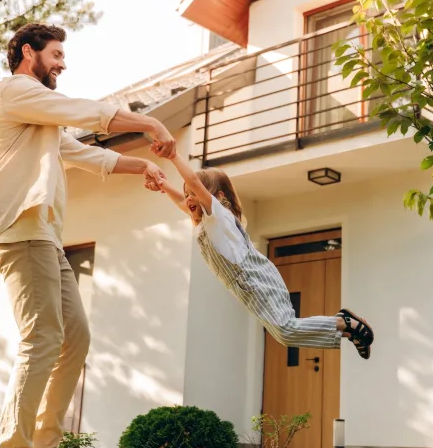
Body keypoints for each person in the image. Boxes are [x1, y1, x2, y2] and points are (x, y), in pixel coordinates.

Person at [0, 23, 174, 448]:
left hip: (43, 234)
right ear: (29, 53)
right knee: (43, 337)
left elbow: (79, 151)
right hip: (18, 229)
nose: (63, 64)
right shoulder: (13, 91)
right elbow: (81, 111)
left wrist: (140, 165)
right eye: (56, 54)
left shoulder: (39, 118)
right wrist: (148, 121)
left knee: (74, 337)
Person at [154, 148, 375, 359]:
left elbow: (193, 181)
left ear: (217, 197)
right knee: (284, 334)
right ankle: (349, 332)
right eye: (187, 194)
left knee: (286, 330)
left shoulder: (218, 216)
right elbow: (183, 201)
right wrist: (163, 185)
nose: (189, 198)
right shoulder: (207, 224)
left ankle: (345, 323)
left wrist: (174, 156)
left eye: (194, 194)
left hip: (255, 278)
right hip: (247, 288)